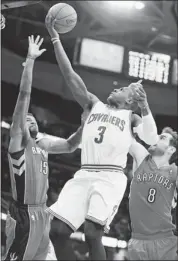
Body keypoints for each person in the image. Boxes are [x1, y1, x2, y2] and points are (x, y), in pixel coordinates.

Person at [45, 15, 159, 260]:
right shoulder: (92, 104)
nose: (115, 88)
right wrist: (55, 38)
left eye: (121, 89)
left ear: (129, 100)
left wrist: (145, 105)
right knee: (56, 230)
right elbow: (70, 75)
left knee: (92, 233)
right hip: (85, 173)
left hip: (110, 177)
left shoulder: (131, 117)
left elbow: (151, 137)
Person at [4, 35, 85, 261]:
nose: (29, 118)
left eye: (33, 119)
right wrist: (30, 60)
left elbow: (71, 145)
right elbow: (24, 96)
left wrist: (84, 123)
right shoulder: (19, 142)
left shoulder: (42, 144)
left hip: (43, 213)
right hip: (24, 216)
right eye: (25, 118)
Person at [128, 127, 178, 260]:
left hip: (165, 242)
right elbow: (124, 136)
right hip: (136, 241)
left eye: (162, 138)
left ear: (171, 149)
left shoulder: (174, 172)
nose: (156, 138)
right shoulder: (142, 158)